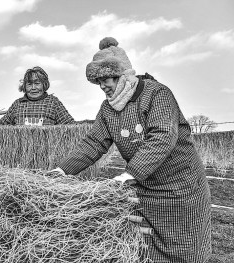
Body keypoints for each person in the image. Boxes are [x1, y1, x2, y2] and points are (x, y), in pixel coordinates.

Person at [49, 37, 211, 262]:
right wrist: (63, 170)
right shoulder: (108, 108)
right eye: (98, 82)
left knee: (183, 248)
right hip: (146, 189)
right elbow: (94, 143)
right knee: (147, 247)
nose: (102, 86)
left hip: (181, 188)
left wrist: (130, 173)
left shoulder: (156, 94)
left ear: (123, 75)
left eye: (106, 79)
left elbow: (162, 136)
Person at [0, 66, 74, 125]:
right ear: (24, 86)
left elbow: (70, 126)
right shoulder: (17, 104)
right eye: (29, 84)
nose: (33, 88)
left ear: (44, 85)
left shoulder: (53, 102)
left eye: (37, 83)